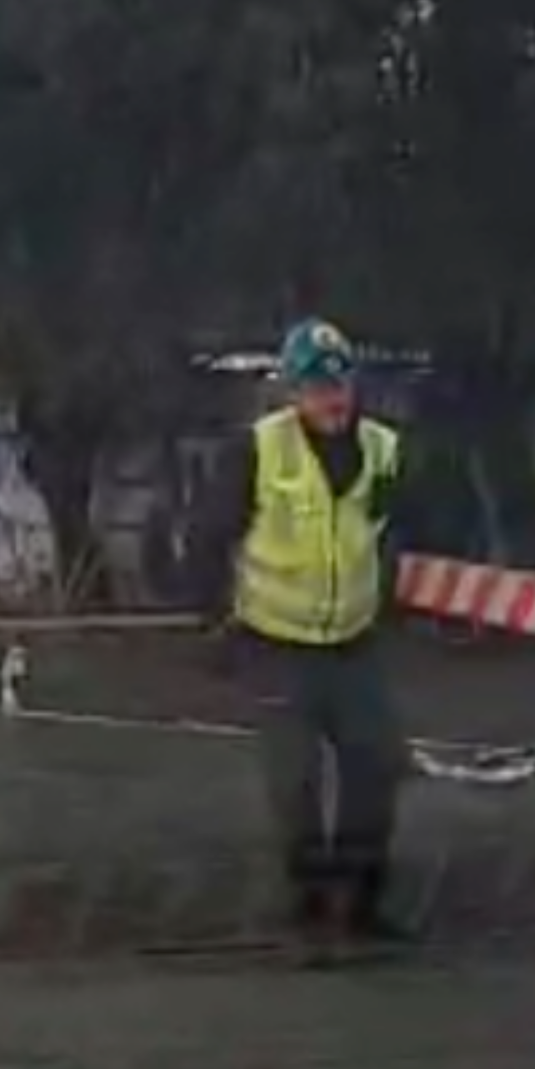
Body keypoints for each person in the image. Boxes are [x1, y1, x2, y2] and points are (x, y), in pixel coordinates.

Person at [186, 317, 420, 953]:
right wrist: (214, 622)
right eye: (317, 387)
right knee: (295, 781)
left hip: (354, 640)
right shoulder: (258, 450)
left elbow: (404, 527)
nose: (332, 398)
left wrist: (394, 597)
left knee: (376, 766)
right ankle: (312, 907)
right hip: (276, 642)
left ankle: (363, 902)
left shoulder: (382, 449)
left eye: (340, 383)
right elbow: (207, 537)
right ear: (293, 393)